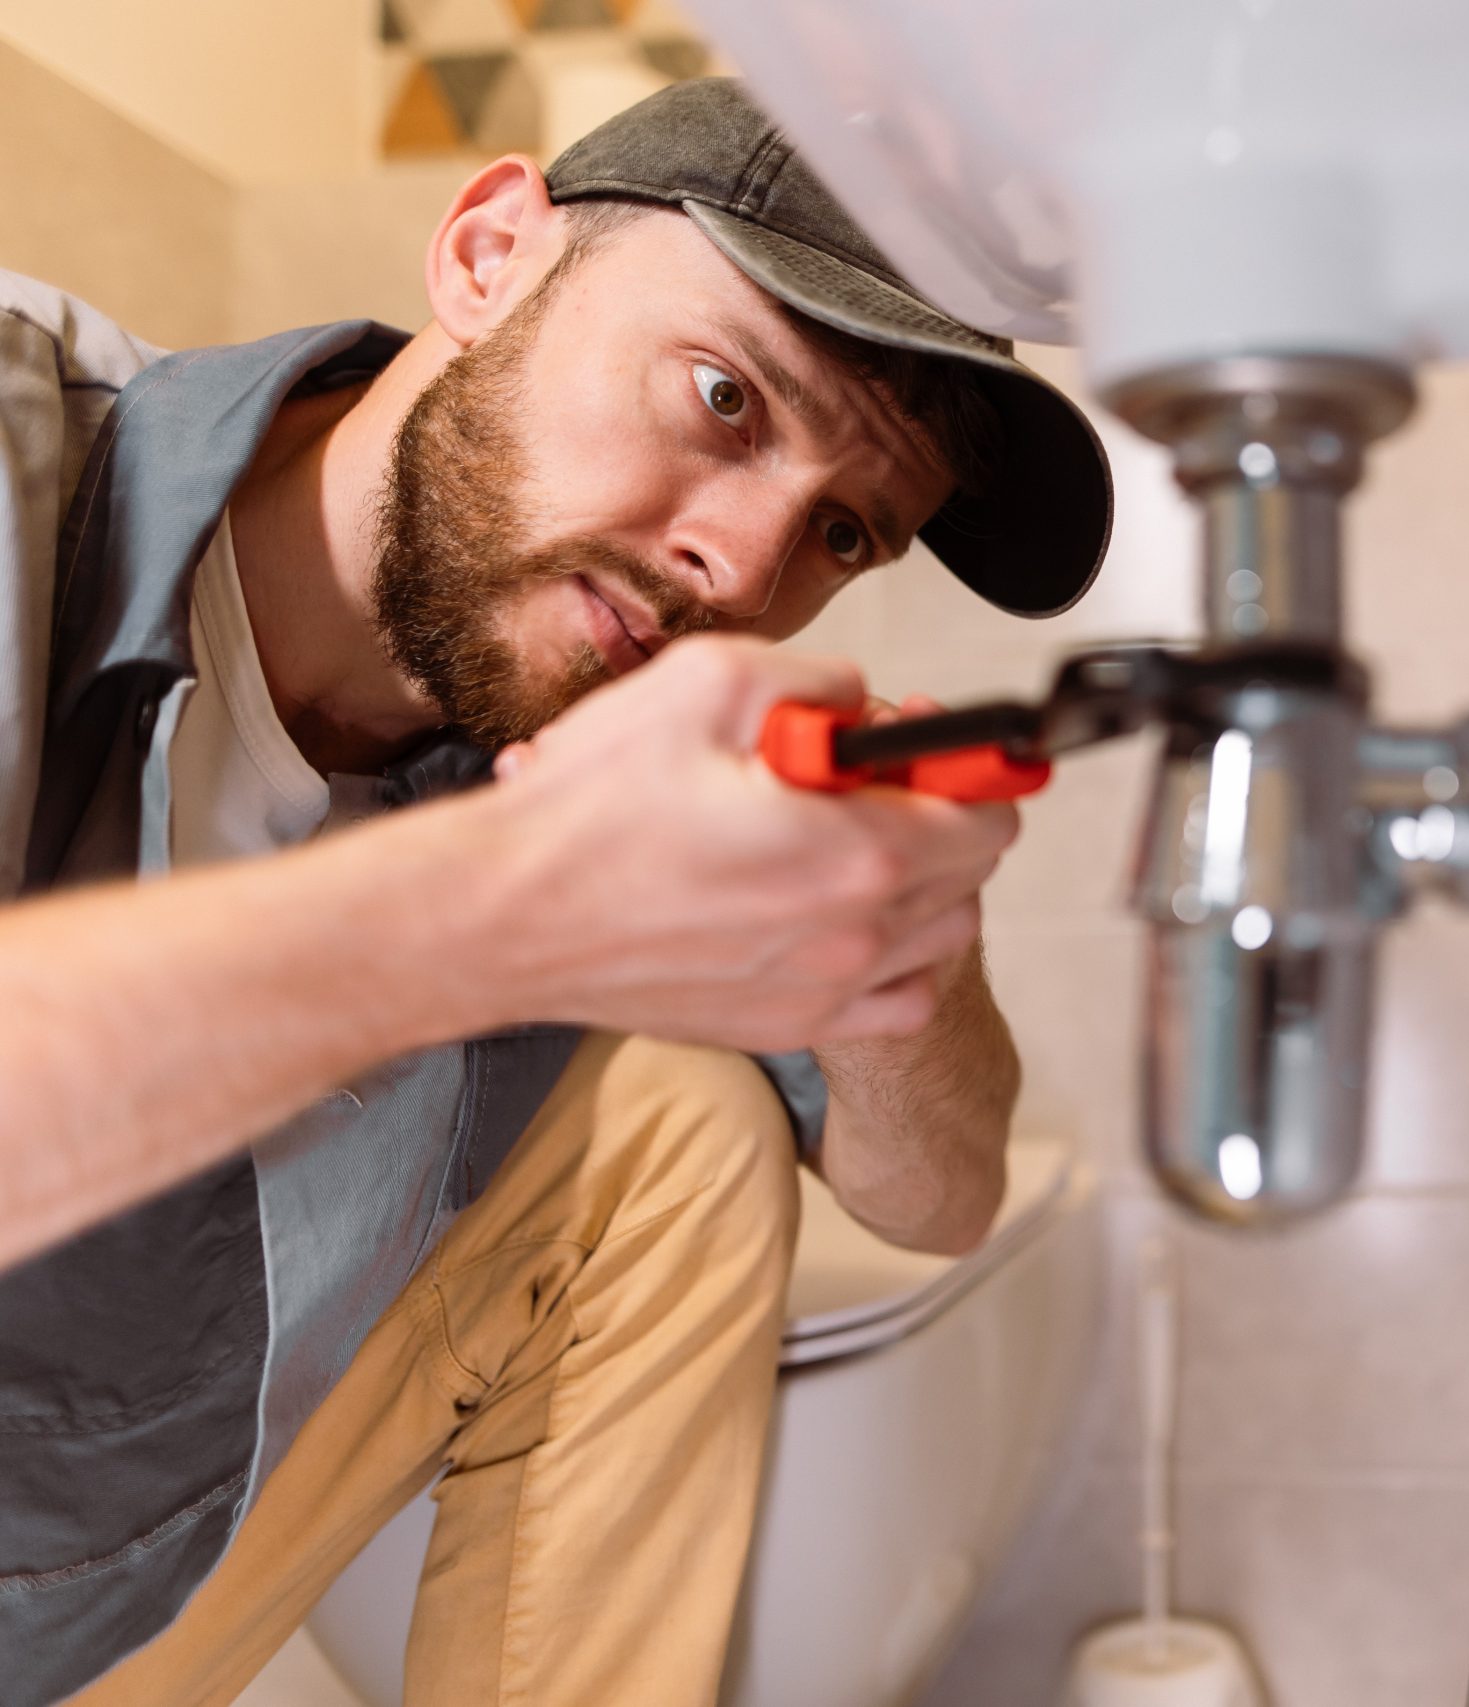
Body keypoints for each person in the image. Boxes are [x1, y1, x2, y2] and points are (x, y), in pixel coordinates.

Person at [0, 76, 1112, 1707]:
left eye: (844, 533)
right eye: (727, 398)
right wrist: (505, 905)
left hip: (108, 1618)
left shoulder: (580, 718)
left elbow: (937, 1196)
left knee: (679, 1127)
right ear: (489, 250)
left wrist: (905, 956)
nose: (747, 569)